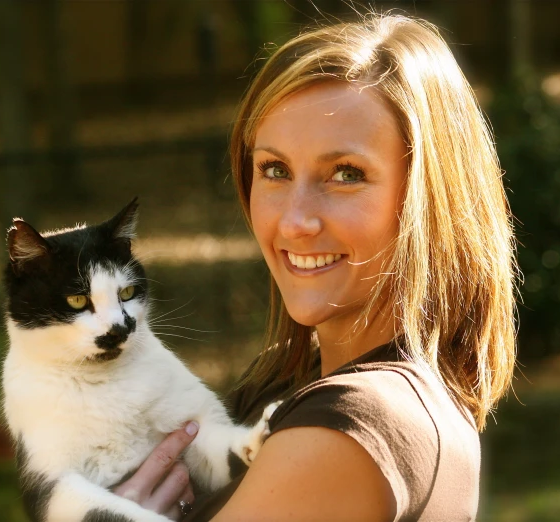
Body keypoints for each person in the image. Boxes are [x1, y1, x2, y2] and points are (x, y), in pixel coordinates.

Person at [114, 12, 517, 522]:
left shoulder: (348, 429)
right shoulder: (304, 397)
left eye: (346, 174)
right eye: (274, 170)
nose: (295, 220)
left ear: (427, 199)